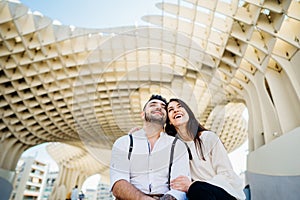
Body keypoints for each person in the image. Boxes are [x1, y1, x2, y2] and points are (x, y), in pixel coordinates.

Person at [110, 95, 190, 200]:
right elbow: (118, 183)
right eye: (153, 105)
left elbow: (179, 187)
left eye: (163, 107)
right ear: (143, 115)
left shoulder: (177, 146)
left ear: (167, 119)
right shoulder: (124, 143)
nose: (159, 107)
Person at [165, 98, 246, 200]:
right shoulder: (176, 149)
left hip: (226, 193)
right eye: (171, 110)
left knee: (196, 189)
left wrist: (193, 185)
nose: (176, 110)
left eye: (180, 106)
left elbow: (226, 174)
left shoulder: (208, 138)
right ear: (170, 122)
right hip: (198, 195)